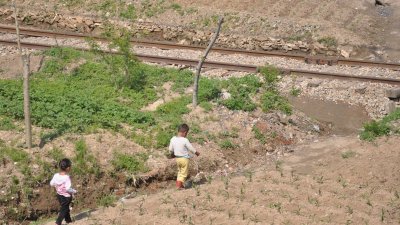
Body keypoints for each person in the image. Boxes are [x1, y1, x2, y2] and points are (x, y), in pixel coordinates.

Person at [169, 124, 200, 189]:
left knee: (180, 172)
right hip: (184, 159)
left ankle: (180, 185)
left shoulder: (173, 139)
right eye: (187, 133)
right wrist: (196, 152)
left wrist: (171, 154)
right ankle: (179, 186)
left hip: (177, 159)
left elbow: (170, 149)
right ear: (185, 132)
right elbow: (190, 148)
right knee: (184, 173)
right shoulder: (185, 140)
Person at [50, 158, 77, 225]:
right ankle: (58, 222)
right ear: (68, 168)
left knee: (65, 208)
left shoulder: (56, 175)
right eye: (70, 166)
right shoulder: (66, 177)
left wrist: (57, 185)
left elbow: (51, 183)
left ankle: (68, 220)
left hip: (59, 195)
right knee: (64, 209)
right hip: (66, 197)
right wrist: (74, 191)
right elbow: (68, 189)